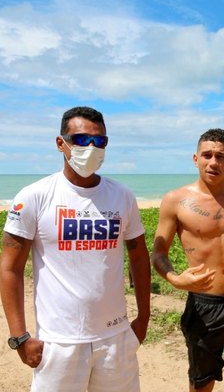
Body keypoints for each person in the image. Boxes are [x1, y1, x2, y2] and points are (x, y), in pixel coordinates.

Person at [0, 106, 151, 391]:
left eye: (100, 141)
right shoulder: (34, 197)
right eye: (82, 140)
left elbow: (139, 256)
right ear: (61, 143)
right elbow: (10, 268)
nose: (91, 148)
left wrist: (143, 318)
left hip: (115, 338)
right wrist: (19, 336)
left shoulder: (122, 196)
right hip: (59, 341)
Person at [151, 128, 224, 392]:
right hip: (204, 303)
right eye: (207, 155)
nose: (214, 162)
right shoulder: (175, 200)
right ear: (195, 159)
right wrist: (175, 279)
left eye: (221, 156)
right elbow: (158, 252)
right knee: (202, 381)